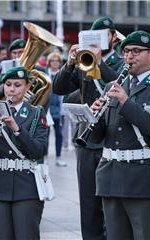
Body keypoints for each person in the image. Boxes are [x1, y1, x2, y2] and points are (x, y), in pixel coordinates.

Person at [89, 30, 150, 240]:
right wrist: (92, 119)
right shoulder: (113, 87)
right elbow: (96, 138)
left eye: (137, 51)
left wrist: (125, 102)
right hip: (110, 176)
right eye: (126, 51)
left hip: (140, 178)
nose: (130, 56)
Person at [52, 16, 123, 240]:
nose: (101, 40)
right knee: (88, 201)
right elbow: (59, 88)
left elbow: (121, 86)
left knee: (111, 202)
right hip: (87, 139)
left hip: (112, 139)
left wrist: (100, 63)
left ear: (113, 37)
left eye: (105, 35)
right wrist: (70, 62)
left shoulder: (122, 63)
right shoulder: (85, 61)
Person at [0, 66, 49, 239]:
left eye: (17, 85)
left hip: (27, 187)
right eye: (8, 84)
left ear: (28, 86)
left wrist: (17, 129)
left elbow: (39, 150)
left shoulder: (36, 113)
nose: (12, 89)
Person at [46, 52, 67, 167]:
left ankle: (58, 158)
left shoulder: (62, 74)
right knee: (45, 135)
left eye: (57, 61)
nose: (55, 63)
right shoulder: (46, 74)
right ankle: (44, 158)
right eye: (53, 60)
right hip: (47, 110)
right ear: (49, 62)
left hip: (59, 110)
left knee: (59, 134)